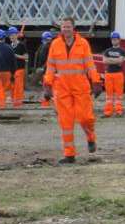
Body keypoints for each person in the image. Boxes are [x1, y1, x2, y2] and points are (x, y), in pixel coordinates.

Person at [44, 16, 102, 165]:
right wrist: (47, 85)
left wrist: (96, 81)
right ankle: (69, 154)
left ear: (73, 28)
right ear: (61, 28)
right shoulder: (55, 44)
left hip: (81, 87)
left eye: (68, 27)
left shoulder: (83, 44)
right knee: (66, 122)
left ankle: (91, 138)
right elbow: (50, 67)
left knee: (85, 118)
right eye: (63, 27)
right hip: (62, 89)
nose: (65, 29)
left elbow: (90, 65)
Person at [101, 31, 125, 117]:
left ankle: (119, 112)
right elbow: (104, 61)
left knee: (118, 95)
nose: (114, 41)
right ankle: (108, 112)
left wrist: (110, 60)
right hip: (108, 74)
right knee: (109, 95)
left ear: (119, 40)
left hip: (118, 74)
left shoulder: (122, 51)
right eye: (113, 39)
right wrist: (116, 60)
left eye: (116, 39)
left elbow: (120, 61)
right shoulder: (107, 50)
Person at [8, 27, 28, 108]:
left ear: (17, 35)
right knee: (12, 87)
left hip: (19, 69)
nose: (12, 37)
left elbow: (26, 57)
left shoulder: (21, 45)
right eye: (10, 35)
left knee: (18, 88)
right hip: (11, 70)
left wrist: (16, 56)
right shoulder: (9, 46)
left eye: (13, 35)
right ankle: (14, 103)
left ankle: (18, 104)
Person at [34, 31, 55, 107]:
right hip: (46, 69)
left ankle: (46, 103)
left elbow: (46, 59)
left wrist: (41, 68)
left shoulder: (46, 47)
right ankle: (46, 103)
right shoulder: (45, 46)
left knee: (47, 86)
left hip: (46, 70)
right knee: (47, 86)